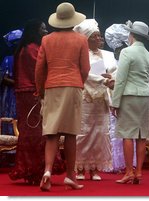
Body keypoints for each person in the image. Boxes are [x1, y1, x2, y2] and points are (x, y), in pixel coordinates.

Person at [35, 2, 90, 191]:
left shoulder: (46, 40)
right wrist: (79, 83)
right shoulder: (81, 39)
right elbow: (85, 69)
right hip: (73, 85)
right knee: (70, 134)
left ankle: (47, 171)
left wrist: (41, 91)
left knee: (52, 133)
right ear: (73, 19)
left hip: (51, 86)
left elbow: (39, 69)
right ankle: (70, 176)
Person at [8, 19, 65, 185]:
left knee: (30, 132)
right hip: (33, 93)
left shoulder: (24, 49)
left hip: (24, 94)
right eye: (42, 29)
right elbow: (41, 72)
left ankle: (31, 169)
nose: (45, 31)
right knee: (39, 133)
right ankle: (36, 169)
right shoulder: (33, 49)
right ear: (35, 31)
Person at [110, 21, 149, 184]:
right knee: (141, 135)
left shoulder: (127, 52)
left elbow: (120, 80)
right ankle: (139, 172)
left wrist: (115, 101)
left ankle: (129, 171)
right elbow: (147, 77)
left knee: (128, 134)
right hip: (145, 95)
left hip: (129, 95)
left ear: (132, 35)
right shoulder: (148, 55)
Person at [73, 19, 115, 181]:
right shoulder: (79, 55)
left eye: (99, 36)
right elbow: (84, 74)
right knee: (83, 133)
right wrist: (102, 80)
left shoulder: (107, 55)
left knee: (100, 133)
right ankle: (81, 168)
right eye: (94, 37)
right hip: (85, 98)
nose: (98, 39)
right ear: (86, 39)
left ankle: (95, 168)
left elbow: (115, 72)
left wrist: (112, 78)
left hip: (102, 100)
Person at [104, 23, 137, 173]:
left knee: (129, 133)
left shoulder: (130, 61)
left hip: (128, 99)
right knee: (114, 132)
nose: (119, 52)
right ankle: (115, 163)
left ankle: (130, 163)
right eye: (117, 50)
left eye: (121, 49)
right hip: (111, 101)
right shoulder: (109, 62)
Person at [0, 29, 22, 135]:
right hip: (9, 94)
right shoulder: (8, 59)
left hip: (19, 93)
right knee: (8, 116)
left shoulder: (23, 58)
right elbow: (2, 79)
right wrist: (17, 83)